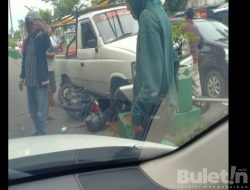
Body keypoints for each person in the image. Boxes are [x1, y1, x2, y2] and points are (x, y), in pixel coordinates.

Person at [125, 0, 180, 141]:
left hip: (151, 110)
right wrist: (173, 96)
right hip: (163, 104)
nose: (127, 7)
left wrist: (136, 115)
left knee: (143, 156)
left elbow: (152, 83)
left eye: (127, 2)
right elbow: (174, 61)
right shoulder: (160, 12)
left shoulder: (147, 17)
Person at [18, 11, 51, 135]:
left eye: (32, 23)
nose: (31, 26)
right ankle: (39, 129)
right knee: (32, 109)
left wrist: (44, 30)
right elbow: (24, 60)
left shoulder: (42, 37)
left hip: (40, 79)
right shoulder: (27, 40)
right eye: (29, 24)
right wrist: (22, 79)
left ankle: (42, 132)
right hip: (29, 81)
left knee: (41, 109)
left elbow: (49, 46)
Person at [182, 8, 202, 97]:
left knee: (184, 80)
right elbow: (198, 43)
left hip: (184, 59)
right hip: (194, 57)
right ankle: (199, 100)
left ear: (186, 15)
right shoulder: (195, 27)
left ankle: (187, 99)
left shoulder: (182, 27)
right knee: (195, 80)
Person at [45, 24, 61, 119]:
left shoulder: (51, 39)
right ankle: (50, 102)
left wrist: (57, 47)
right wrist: (52, 53)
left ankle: (50, 99)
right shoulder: (44, 40)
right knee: (49, 87)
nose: (51, 30)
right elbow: (47, 53)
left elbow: (54, 49)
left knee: (53, 87)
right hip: (46, 68)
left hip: (51, 67)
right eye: (50, 29)